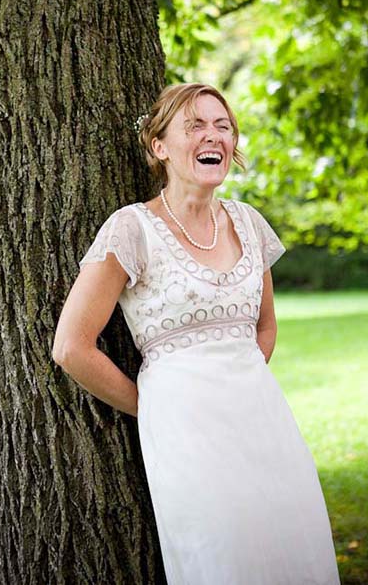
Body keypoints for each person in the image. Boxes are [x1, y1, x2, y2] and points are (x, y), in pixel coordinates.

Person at [52, 82, 341, 585]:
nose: (214, 136)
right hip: (185, 436)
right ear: (160, 147)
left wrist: (240, 385)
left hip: (265, 423)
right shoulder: (131, 229)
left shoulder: (249, 224)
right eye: (196, 126)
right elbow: (71, 347)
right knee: (223, 559)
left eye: (223, 125)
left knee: (294, 547)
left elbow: (265, 325)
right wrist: (158, 405)